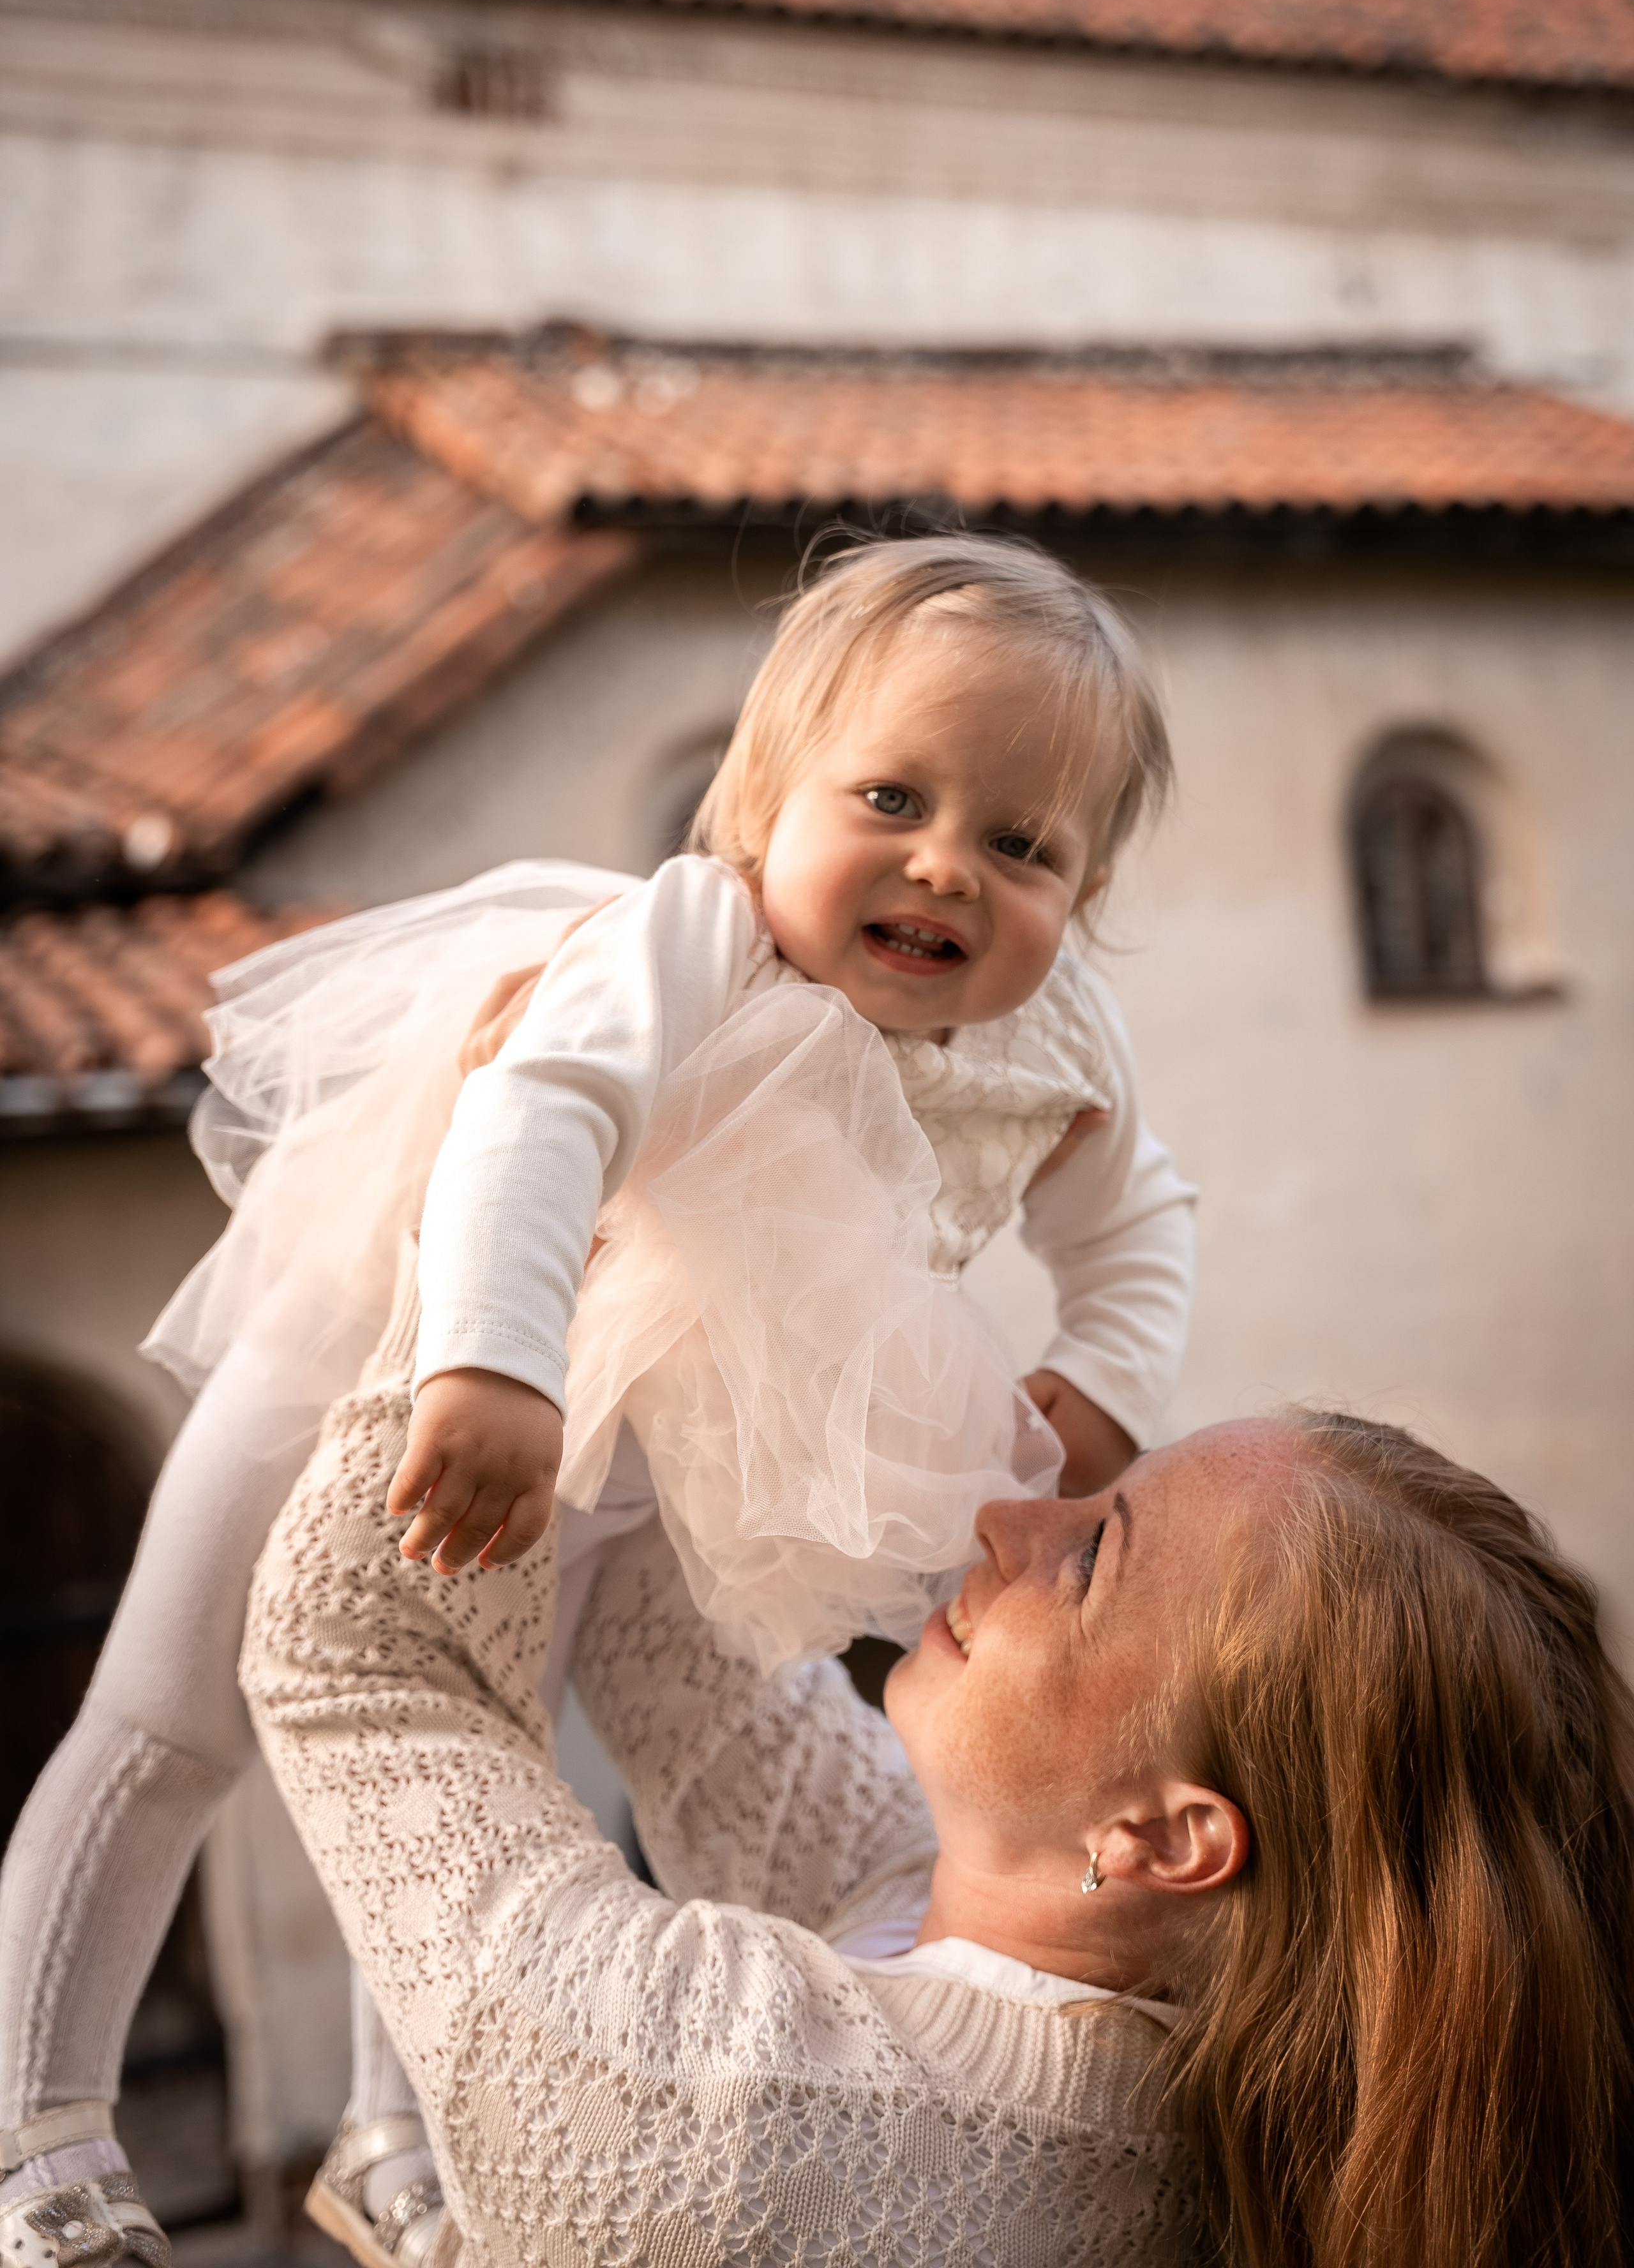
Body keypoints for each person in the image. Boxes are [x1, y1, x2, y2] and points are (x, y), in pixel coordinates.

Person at [0, 535, 1196, 2262]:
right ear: (768, 796)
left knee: (491, 1776)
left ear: (1080, 897)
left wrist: (1101, 1381)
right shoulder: (691, 938)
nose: (947, 863)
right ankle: (39, 2129)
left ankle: (390, 2130)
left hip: (629, 1442)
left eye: (1024, 845)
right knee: (176, 1713)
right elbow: (541, 1112)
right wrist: (494, 1361)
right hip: (405, 1343)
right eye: (892, 797)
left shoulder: (1059, 1040)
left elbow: (1140, 1214)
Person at [237, 1271, 1634, 2268]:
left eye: (1089, 1557)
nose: (1008, 1521)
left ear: (1162, 1835)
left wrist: (508, 1251)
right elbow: (707, 1698)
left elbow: (355, 1659)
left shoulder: (732, 2109)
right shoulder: (1091, 2026)